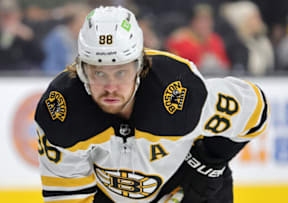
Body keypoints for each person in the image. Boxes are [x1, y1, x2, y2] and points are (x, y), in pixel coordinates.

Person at [34, 6, 269, 203]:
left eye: (121, 72)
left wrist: (209, 163)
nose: (111, 88)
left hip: (189, 192)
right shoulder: (62, 109)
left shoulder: (178, 90)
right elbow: (67, 195)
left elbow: (253, 108)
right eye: (99, 73)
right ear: (81, 70)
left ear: (140, 67)